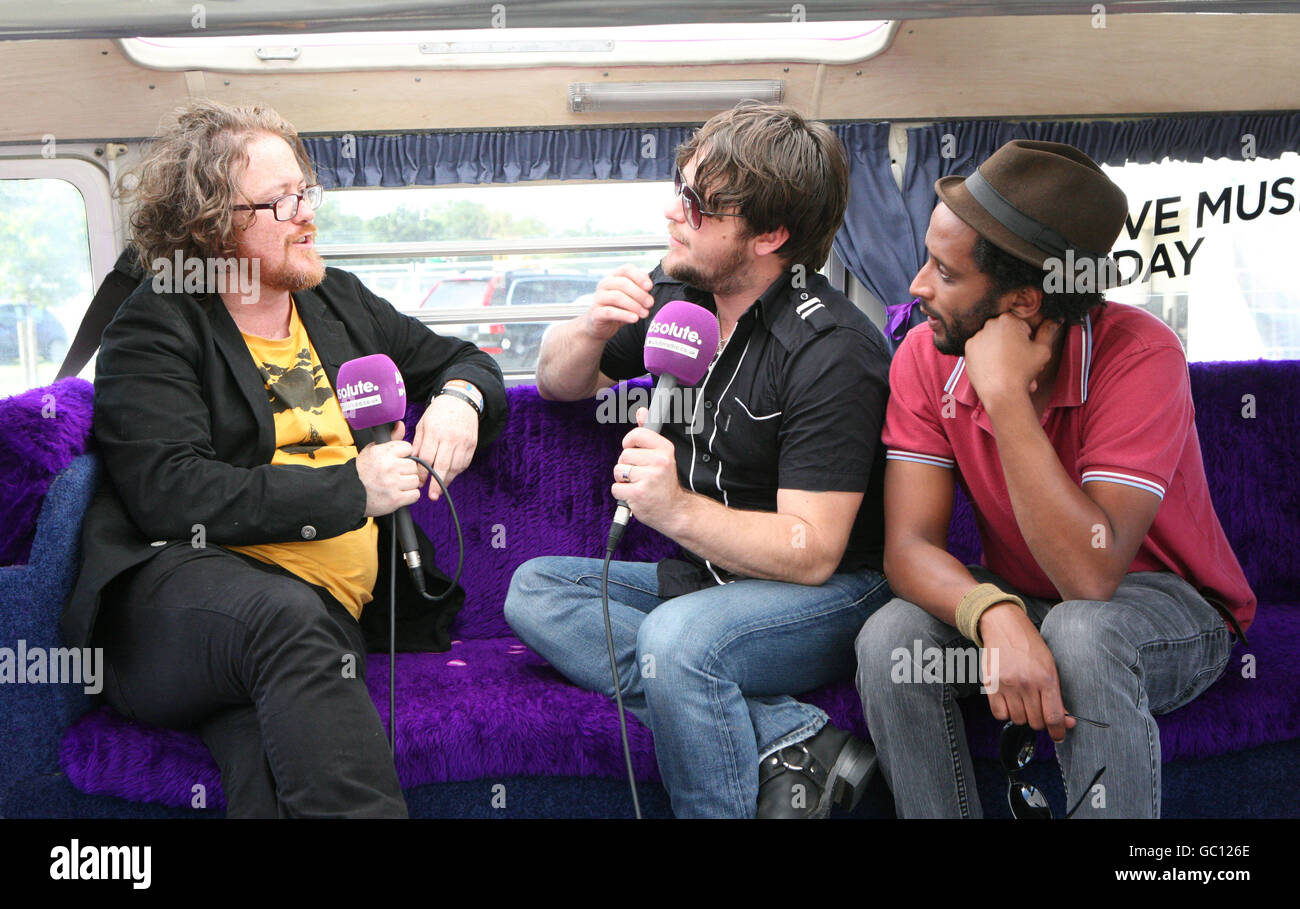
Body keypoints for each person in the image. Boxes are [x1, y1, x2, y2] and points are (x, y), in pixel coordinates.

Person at [61, 99, 507, 818]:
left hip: (316, 619)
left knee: (266, 759)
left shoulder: (335, 300)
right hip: (174, 609)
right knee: (285, 622)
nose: (307, 214)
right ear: (213, 227)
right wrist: (350, 491)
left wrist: (459, 398)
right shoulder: (156, 321)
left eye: (307, 191)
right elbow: (171, 492)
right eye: (282, 201)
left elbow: (463, 358)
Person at [504, 101, 893, 819]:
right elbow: (561, 382)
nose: (672, 214)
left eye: (699, 204)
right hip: (712, 578)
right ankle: (789, 736)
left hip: (832, 592)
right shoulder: (681, 289)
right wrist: (590, 329)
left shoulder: (835, 349)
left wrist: (674, 507)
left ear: (771, 235)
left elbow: (811, 551)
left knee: (679, 642)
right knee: (535, 589)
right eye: (679, 189)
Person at [855, 139, 1255, 818]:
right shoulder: (924, 355)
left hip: (1170, 611)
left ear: (1023, 302)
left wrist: (1006, 397)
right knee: (890, 637)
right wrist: (996, 612)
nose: (918, 286)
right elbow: (909, 549)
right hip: (1032, 597)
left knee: (1080, 633)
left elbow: (1090, 578)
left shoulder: (1143, 355)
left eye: (946, 274)